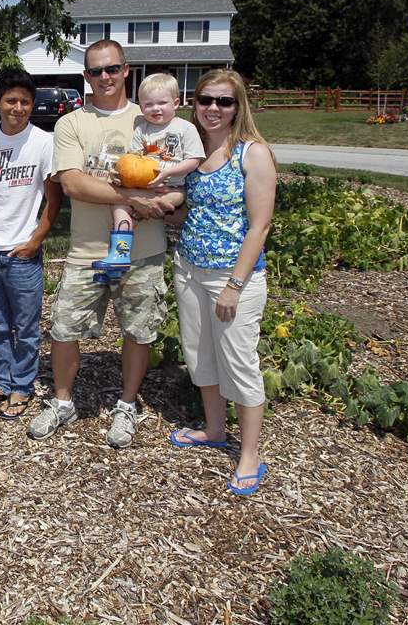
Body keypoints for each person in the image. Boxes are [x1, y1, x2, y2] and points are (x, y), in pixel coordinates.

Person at [28, 40, 182, 446]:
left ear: (126, 69)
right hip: (87, 251)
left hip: (144, 251)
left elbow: (178, 173)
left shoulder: (150, 118)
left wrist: (164, 200)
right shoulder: (72, 123)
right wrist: (130, 199)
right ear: (86, 77)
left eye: (112, 69)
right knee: (64, 328)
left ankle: (127, 405)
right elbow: (74, 182)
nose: (105, 77)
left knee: (138, 331)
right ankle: (63, 402)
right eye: (95, 72)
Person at [169, 70, 276, 496]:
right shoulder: (193, 154)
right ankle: (215, 429)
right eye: (205, 99)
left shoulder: (252, 153)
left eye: (224, 101)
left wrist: (234, 284)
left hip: (233, 279)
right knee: (200, 356)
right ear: (193, 103)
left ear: (238, 107)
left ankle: (249, 455)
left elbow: (260, 226)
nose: (213, 108)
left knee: (240, 364)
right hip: (189, 270)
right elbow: (191, 214)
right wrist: (154, 207)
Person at [0, 68, 63, 420]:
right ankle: (2, 382)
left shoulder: (43, 142)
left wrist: (35, 241)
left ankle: (22, 385)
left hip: (23, 254)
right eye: (11, 100)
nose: (18, 107)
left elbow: (54, 200)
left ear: (32, 104)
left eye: (25, 101)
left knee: (25, 327)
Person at [92, 73, 204, 283]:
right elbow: (133, 158)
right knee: (119, 206)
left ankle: (120, 251)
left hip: (172, 188)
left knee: (151, 206)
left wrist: (168, 172)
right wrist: (120, 174)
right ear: (141, 107)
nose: (156, 109)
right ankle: (120, 254)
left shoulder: (185, 128)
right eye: (149, 104)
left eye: (162, 103)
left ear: (176, 103)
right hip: (143, 187)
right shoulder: (141, 129)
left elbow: (194, 160)